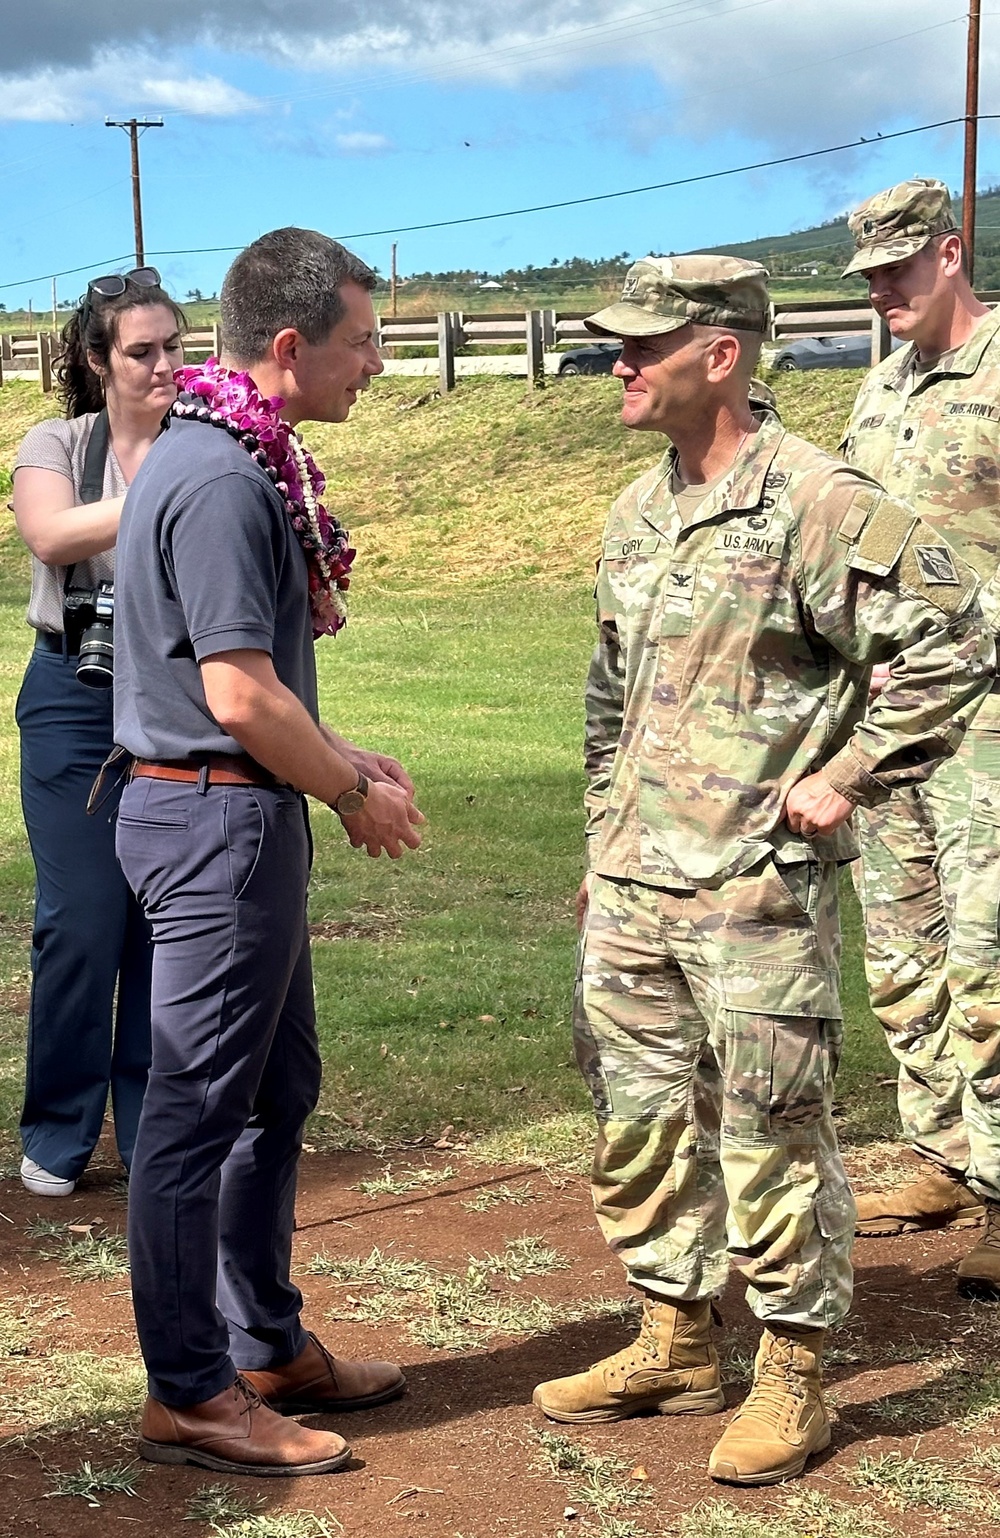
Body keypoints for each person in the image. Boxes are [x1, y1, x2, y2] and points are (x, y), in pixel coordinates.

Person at [531, 254, 994, 1485]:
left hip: (755, 888)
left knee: (773, 1132)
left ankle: (792, 1370)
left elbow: (955, 632)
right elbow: (607, 698)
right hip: (635, 885)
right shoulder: (638, 509)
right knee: (635, 1123)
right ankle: (676, 1336)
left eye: (643, 345)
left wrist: (847, 776)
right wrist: (601, 837)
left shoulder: (819, 498)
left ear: (721, 354)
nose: (618, 364)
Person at [113, 227, 424, 1478]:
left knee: (272, 1091)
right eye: (363, 340)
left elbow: (240, 685)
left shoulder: (219, 454)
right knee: (194, 1113)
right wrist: (349, 788)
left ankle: (266, 1343)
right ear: (290, 347)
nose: (378, 362)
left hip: (223, 808)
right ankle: (192, 1390)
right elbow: (237, 699)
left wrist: (340, 748)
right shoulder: (230, 479)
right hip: (217, 824)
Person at [839, 178, 1000, 1297]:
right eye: (868, 276)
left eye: (898, 268)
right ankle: (941, 1152)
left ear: (950, 253)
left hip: (988, 713)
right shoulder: (880, 386)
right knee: (900, 955)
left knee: (987, 962)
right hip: (889, 716)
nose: (882, 291)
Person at [12, 269, 185, 1197]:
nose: (165, 367)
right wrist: (174, 486)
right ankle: (59, 1131)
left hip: (175, 692)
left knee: (165, 919)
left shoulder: (205, 437)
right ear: (96, 359)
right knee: (82, 919)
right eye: (141, 351)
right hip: (72, 693)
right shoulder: (58, 442)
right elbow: (50, 535)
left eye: (175, 347)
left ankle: (153, 1128)